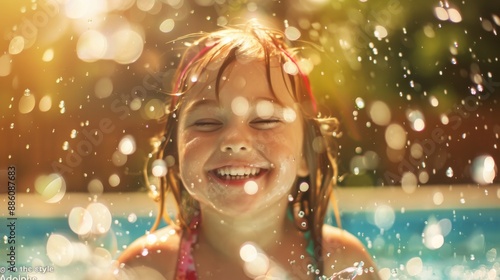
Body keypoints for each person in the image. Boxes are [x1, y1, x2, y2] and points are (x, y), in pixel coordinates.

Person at [116, 21, 380, 280]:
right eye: (206, 122)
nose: (234, 139)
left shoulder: (339, 262)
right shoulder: (150, 268)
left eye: (265, 120)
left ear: (305, 154)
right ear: (174, 153)